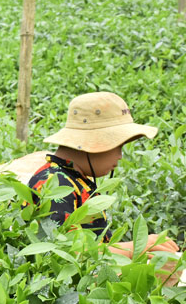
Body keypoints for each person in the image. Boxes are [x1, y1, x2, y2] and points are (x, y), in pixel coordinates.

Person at [27, 92, 179, 258]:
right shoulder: (56, 184)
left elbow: (93, 247)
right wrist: (134, 247)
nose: (120, 156)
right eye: (118, 146)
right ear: (91, 143)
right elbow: (66, 253)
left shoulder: (74, 178)